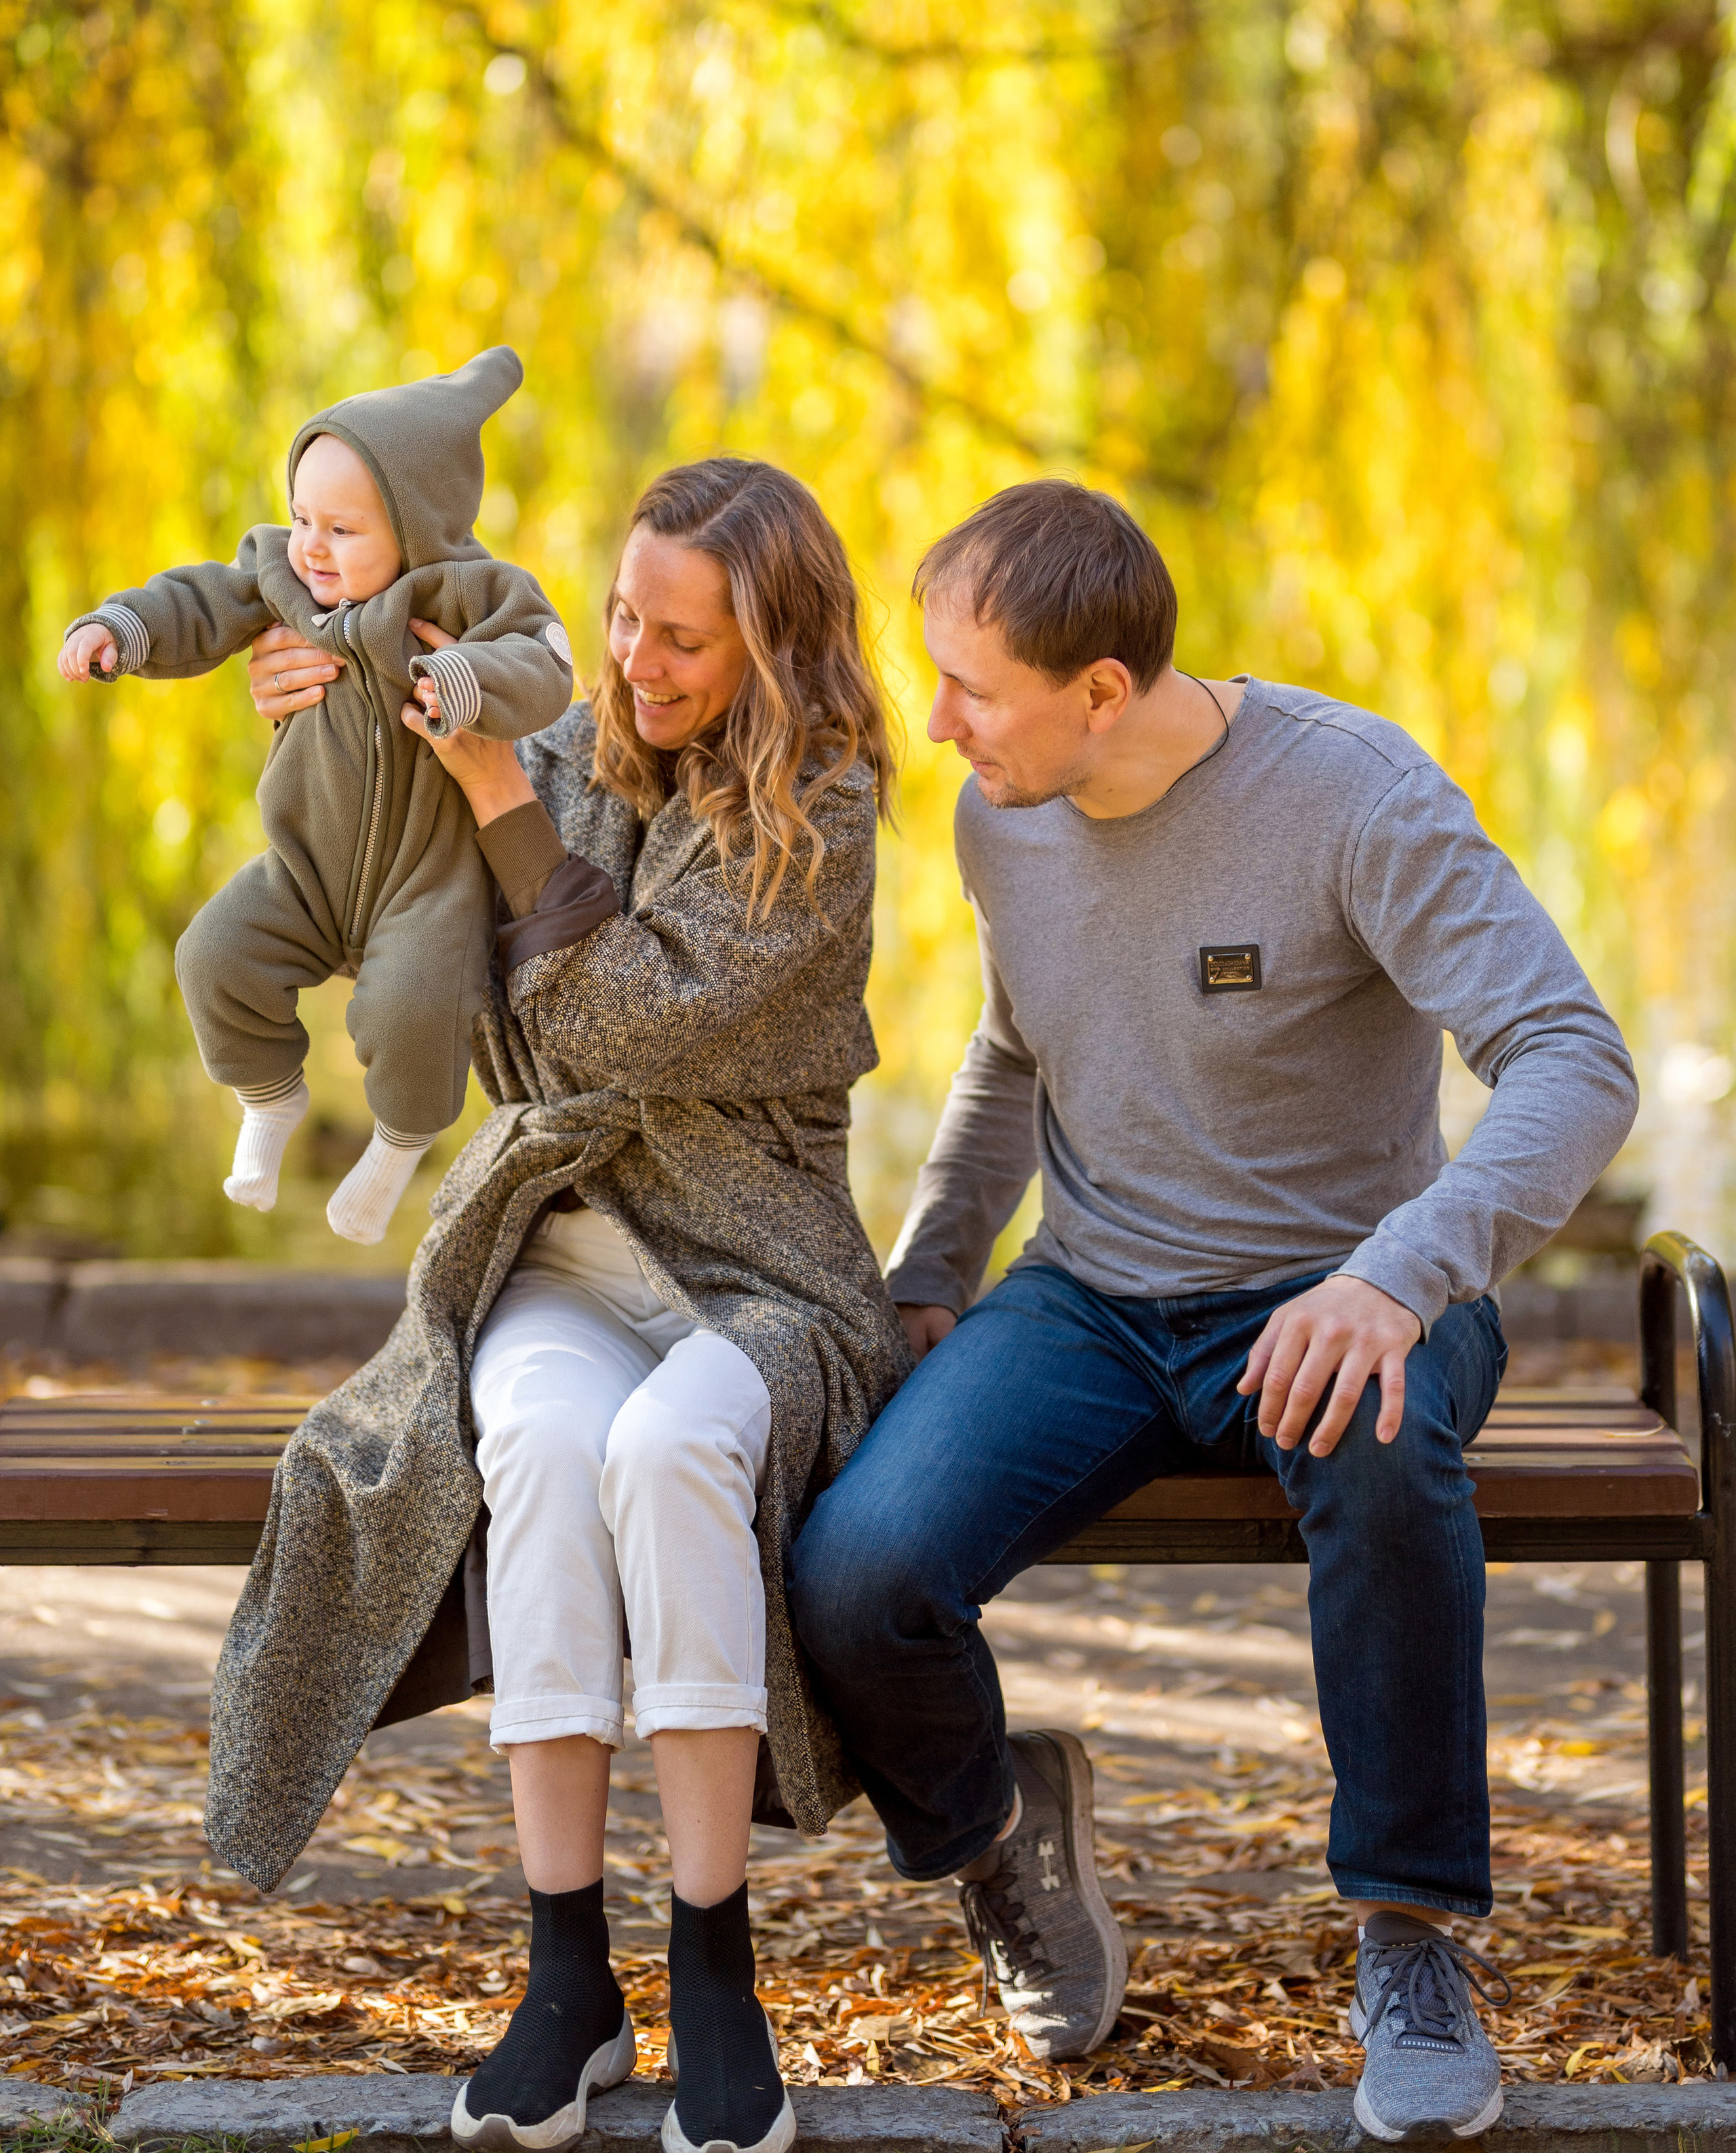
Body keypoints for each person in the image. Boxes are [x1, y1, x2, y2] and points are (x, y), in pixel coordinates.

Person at [791, 480, 1638, 2141]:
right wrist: (929, 1271)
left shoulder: (1352, 796)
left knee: (1381, 1448)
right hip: (1093, 1301)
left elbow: (1572, 1058)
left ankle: (1408, 1939)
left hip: (1353, 1286)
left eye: (971, 688)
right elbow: (1015, 1048)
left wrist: (1396, 1273)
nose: (936, 722)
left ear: (1101, 690)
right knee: (856, 1573)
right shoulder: (1001, 811)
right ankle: (996, 1831)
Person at [201, 458, 910, 2153]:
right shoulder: (569, 744)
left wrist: (501, 809)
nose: (635, 663)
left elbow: (607, 1026)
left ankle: (716, 1967)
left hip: (758, 1269)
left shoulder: (822, 813)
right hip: (554, 1244)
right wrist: (330, 705)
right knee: (531, 1439)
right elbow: (449, 973)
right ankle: (566, 1972)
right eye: (620, 618)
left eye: (682, 641)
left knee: (670, 1452)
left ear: (773, 649)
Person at [57, 347, 572, 1242]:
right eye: (302, 517)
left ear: (416, 527)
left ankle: (398, 1147)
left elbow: (546, 659)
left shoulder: (465, 590)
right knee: (212, 955)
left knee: (414, 1010)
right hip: (304, 868)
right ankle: (268, 1097)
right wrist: (124, 628)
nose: (311, 546)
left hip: (426, 883)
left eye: (342, 529)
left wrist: (467, 679)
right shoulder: (287, 581)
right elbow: (201, 601)